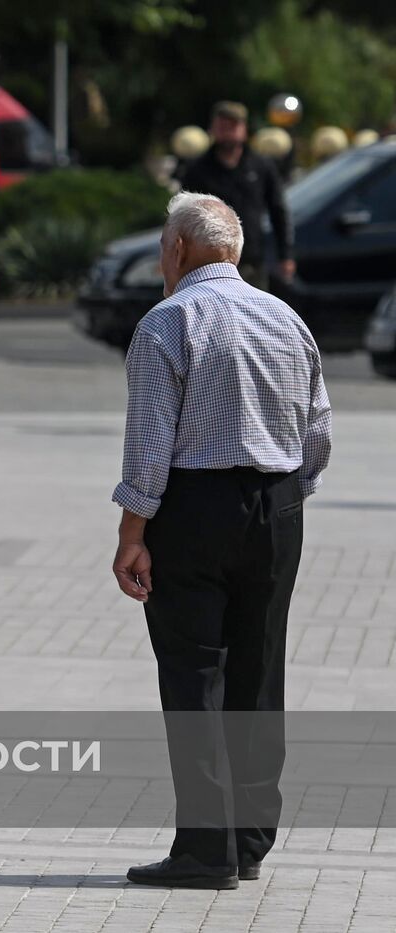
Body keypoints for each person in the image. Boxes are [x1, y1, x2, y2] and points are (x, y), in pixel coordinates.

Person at [111, 192, 332, 890]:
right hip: (276, 503)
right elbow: (318, 430)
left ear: (176, 251)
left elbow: (148, 446)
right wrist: (284, 499)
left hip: (193, 508)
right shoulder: (286, 318)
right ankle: (251, 839)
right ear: (233, 251)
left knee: (194, 672)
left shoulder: (166, 322)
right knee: (259, 669)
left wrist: (131, 534)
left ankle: (207, 848)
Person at [179, 101, 295, 290]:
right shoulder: (197, 170)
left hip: (251, 261)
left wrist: (286, 256)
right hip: (208, 265)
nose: (228, 131)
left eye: (233, 126)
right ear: (213, 128)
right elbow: (183, 216)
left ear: (244, 129)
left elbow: (278, 212)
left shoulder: (261, 166)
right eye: (222, 126)